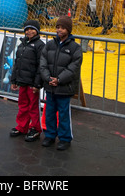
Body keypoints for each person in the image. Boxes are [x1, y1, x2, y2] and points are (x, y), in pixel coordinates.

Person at [40, 16, 82, 150]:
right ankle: (50, 135)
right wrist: (48, 78)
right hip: (50, 86)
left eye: (62, 28)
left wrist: (59, 80)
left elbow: (74, 67)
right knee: (50, 112)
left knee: (63, 114)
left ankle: (65, 138)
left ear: (68, 30)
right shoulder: (50, 45)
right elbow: (43, 62)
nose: (59, 30)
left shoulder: (75, 48)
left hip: (64, 87)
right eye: (58, 27)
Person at [10, 19, 45, 142]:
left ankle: (35, 128)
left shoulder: (40, 45)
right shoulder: (22, 44)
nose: (29, 31)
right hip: (22, 81)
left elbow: (41, 66)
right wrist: (14, 80)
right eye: (27, 29)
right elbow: (17, 63)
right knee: (22, 105)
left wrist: (37, 84)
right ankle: (22, 126)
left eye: (32, 29)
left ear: (37, 31)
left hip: (32, 83)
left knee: (33, 107)